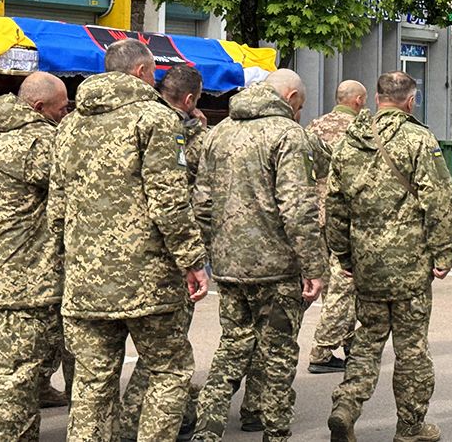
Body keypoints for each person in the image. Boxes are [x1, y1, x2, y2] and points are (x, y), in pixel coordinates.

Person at [49, 39, 209, 442]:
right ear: (141, 72)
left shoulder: (70, 124)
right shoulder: (156, 119)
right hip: (147, 278)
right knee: (169, 371)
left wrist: (64, 260)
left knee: (91, 381)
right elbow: (168, 201)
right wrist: (192, 261)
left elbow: (57, 204)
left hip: (85, 278)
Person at [191, 69, 327, 442]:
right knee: (279, 352)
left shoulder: (218, 132)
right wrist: (314, 266)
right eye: (300, 102)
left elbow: (202, 202)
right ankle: (276, 431)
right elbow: (298, 206)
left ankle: (207, 429)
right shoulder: (287, 134)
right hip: (277, 266)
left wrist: (204, 254)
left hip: (229, 264)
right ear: (291, 97)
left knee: (232, 345)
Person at [326, 71, 452, 442]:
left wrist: (343, 255)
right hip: (409, 264)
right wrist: (442, 251)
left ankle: (346, 407)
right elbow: (439, 199)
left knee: (367, 340)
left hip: (366, 263)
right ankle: (410, 427)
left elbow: (334, 205)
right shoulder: (418, 138)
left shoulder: (349, 142)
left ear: (377, 98)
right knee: (411, 348)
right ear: (410, 100)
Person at [0, 73, 71, 442]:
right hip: (24, 279)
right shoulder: (37, 142)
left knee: (2, 368)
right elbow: (75, 185)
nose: (66, 113)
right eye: (62, 108)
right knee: (20, 374)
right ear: (38, 108)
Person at [115, 63, 209, 442]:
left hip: (106, 257)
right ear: (189, 100)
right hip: (161, 258)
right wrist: (193, 260)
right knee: (166, 353)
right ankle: (130, 421)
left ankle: (182, 410)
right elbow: (176, 198)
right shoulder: (171, 130)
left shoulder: (126, 119)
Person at [305, 80, 366, 375]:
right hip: (344, 217)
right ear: (357, 101)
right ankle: (322, 348)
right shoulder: (360, 130)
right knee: (346, 285)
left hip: (315, 216)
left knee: (332, 289)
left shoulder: (314, 126)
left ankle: (349, 343)